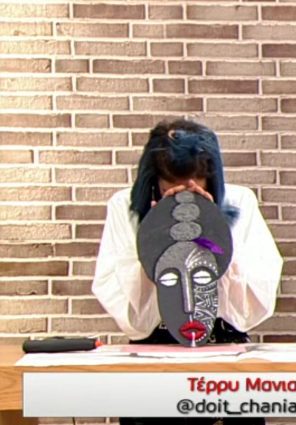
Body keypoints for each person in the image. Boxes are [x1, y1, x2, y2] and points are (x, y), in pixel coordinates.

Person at [92, 119, 283, 425]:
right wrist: (155, 236)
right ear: (155, 180)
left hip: (224, 346)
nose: (184, 193)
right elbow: (130, 315)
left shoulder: (240, 202)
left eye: (196, 185)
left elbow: (254, 305)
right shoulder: (123, 206)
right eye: (171, 186)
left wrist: (215, 233)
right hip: (153, 348)